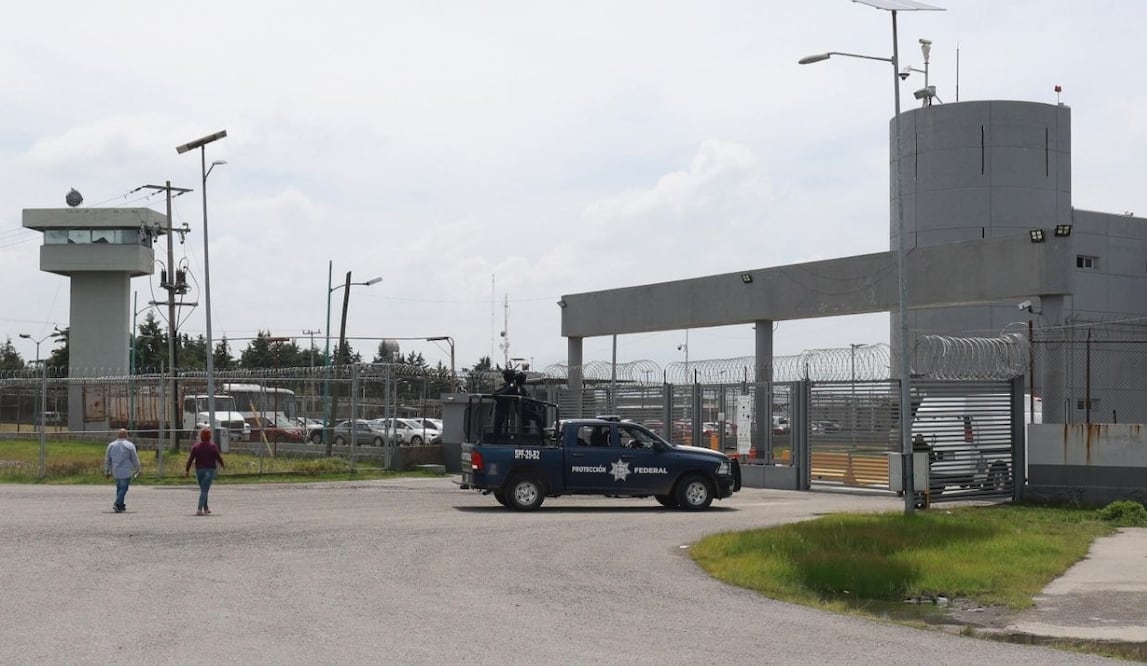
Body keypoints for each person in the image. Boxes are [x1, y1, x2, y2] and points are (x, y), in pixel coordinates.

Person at [185, 428, 226, 516]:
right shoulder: (212, 446)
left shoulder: (196, 447)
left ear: (201, 437)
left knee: (204, 489)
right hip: (209, 470)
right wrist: (222, 464)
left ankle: (206, 508)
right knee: (204, 490)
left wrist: (187, 470)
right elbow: (218, 457)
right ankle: (199, 509)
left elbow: (190, 459)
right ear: (210, 437)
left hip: (199, 471)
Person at [104, 428, 141, 513]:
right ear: (126, 435)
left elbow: (108, 459)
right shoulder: (129, 445)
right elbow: (135, 458)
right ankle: (117, 503)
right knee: (124, 488)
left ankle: (120, 505)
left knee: (119, 488)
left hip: (116, 470)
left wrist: (107, 471)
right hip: (126, 470)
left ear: (118, 435)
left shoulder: (111, 445)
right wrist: (138, 469)